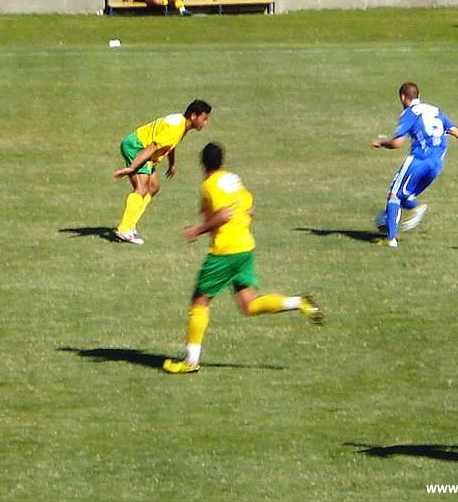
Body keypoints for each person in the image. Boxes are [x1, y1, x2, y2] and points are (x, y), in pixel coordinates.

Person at [163, 142, 323, 374]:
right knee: (249, 305)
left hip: (225, 252)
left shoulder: (209, 185)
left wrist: (197, 231)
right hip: (245, 247)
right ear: (222, 161)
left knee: (199, 302)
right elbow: (250, 208)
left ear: (202, 163)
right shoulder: (233, 179)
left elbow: (224, 214)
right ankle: (299, 302)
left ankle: (190, 361)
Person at [371, 82, 458, 248]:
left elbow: (397, 143)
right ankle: (410, 209)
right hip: (437, 164)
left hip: (419, 159)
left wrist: (381, 142)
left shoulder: (409, 113)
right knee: (404, 195)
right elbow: (457, 132)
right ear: (418, 95)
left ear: (403, 97)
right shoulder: (435, 110)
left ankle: (390, 238)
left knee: (394, 194)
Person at [112, 100, 212, 245]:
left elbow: (170, 144)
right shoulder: (176, 128)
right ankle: (124, 229)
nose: (205, 122)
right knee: (141, 188)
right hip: (137, 147)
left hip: (141, 148)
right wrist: (132, 167)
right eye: (204, 118)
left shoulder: (181, 124)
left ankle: (130, 225)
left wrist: (172, 164)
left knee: (153, 187)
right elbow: (152, 147)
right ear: (193, 116)